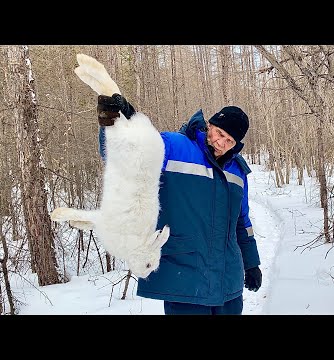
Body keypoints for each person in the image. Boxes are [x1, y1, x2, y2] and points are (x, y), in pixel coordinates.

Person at [96, 94, 262, 315]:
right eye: (220, 133)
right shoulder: (175, 146)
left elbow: (242, 221)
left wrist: (251, 263)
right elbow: (130, 155)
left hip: (228, 283)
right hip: (185, 279)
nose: (221, 143)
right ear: (210, 125)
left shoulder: (237, 171)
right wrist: (119, 123)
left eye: (230, 141)